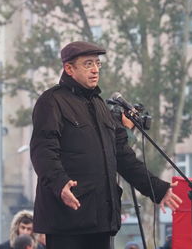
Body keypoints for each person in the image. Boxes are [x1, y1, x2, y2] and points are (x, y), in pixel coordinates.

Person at [30, 41, 182, 249]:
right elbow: (43, 150)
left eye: (98, 64)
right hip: (67, 218)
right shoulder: (51, 101)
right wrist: (59, 183)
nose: (95, 70)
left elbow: (123, 156)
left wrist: (157, 188)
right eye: (88, 64)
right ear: (69, 68)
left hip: (101, 217)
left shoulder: (101, 106)